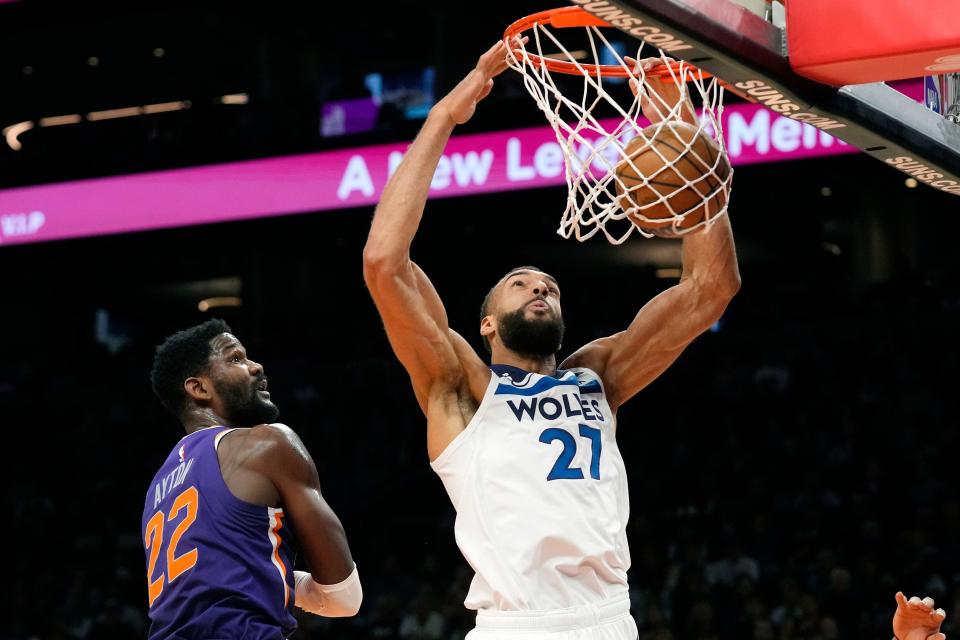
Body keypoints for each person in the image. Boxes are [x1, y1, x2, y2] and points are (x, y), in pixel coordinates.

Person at [363, 40, 740, 639]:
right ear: (485, 323)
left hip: (611, 618)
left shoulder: (598, 376)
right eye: (520, 284)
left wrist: (679, 129)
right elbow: (385, 261)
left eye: (550, 286)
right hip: (520, 625)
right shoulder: (462, 388)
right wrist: (443, 118)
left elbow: (710, 289)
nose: (540, 289)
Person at [142, 318, 361, 639]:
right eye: (235, 359)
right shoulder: (267, 443)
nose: (256, 366)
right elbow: (344, 598)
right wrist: (283, 577)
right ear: (199, 388)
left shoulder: (156, 490)